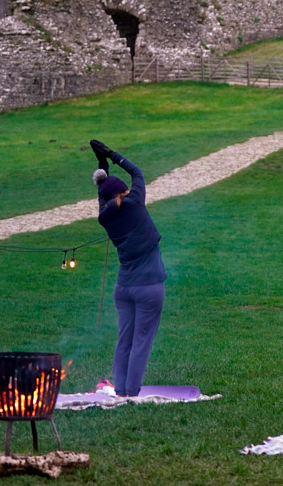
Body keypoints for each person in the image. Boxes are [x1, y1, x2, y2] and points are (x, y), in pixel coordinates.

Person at [90, 139, 168, 398]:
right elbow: (137, 172)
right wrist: (112, 155)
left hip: (123, 288)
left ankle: (122, 389)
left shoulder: (104, 217)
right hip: (149, 287)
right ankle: (130, 394)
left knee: (125, 340)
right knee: (141, 342)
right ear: (123, 191)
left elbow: (103, 198)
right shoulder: (134, 201)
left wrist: (101, 169)